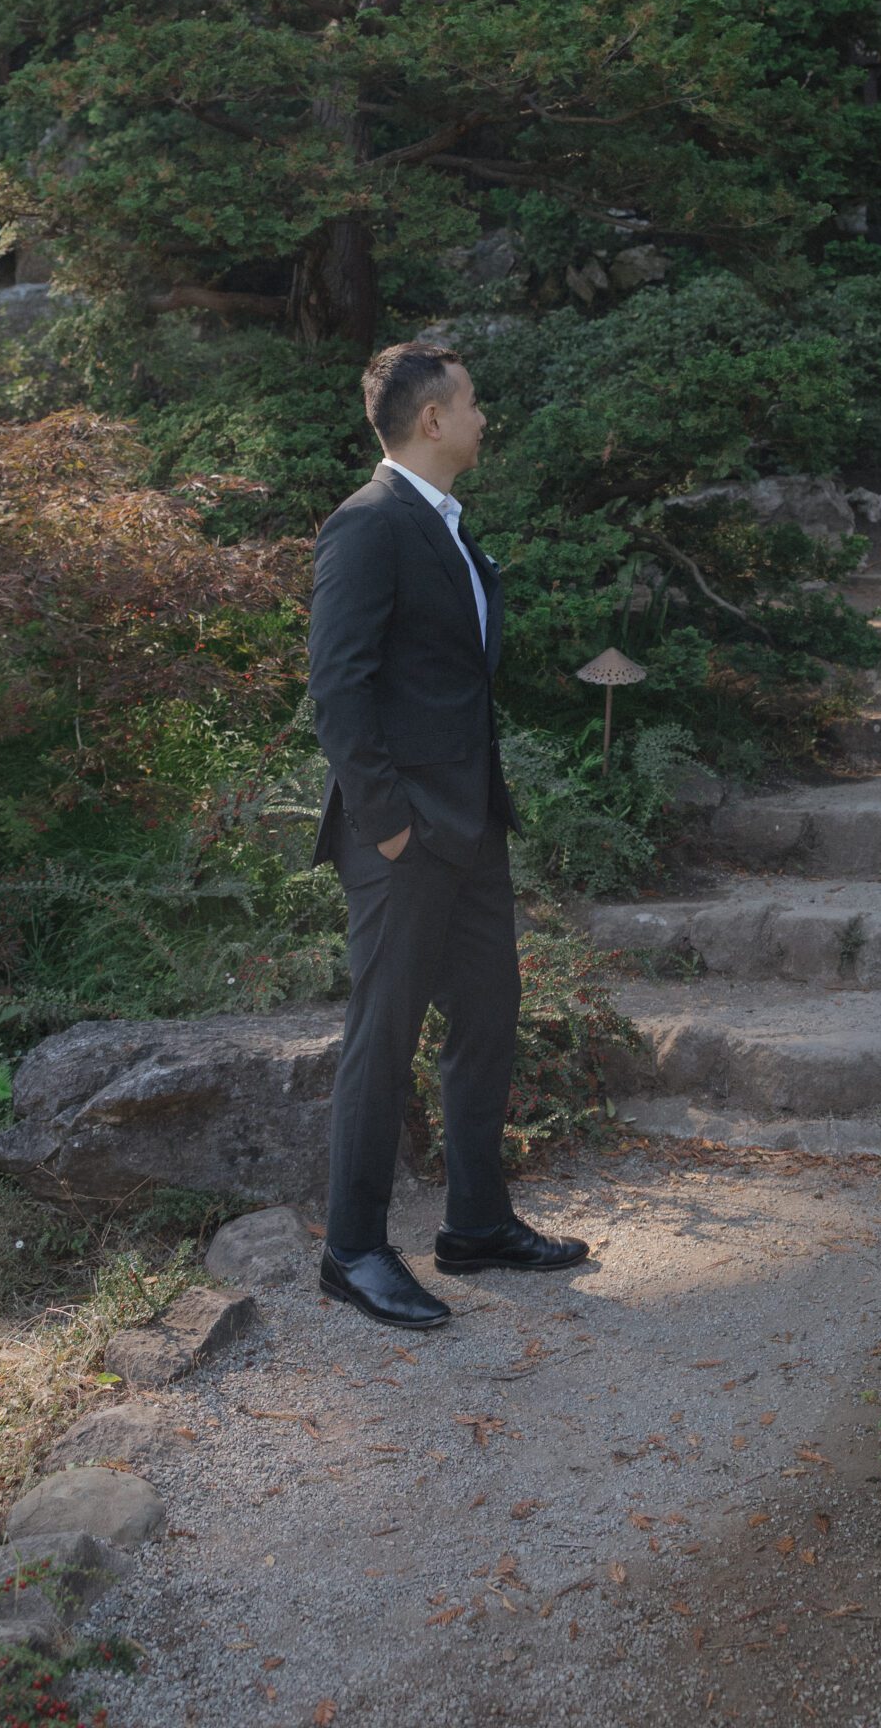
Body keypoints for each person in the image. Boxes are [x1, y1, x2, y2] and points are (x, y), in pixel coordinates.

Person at [307, 338, 588, 1328]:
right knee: (379, 1042)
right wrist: (387, 828)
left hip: (472, 826)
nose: (482, 417)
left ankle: (474, 1223)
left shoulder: (452, 529)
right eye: (470, 403)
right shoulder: (367, 524)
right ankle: (352, 1250)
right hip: (405, 837)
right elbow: (336, 690)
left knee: (485, 1020)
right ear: (432, 419)